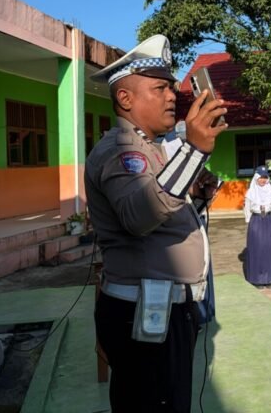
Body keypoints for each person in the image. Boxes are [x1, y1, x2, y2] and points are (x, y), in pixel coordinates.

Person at [86, 34, 227, 413]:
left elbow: (164, 216)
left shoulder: (151, 149)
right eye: (160, 88)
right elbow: (138, 217)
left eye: (171, 87)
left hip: (163, 311)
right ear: (125, 98)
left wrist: (196, 194)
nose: (172, 95)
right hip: (143, 314)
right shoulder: (121, 150)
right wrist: (194, 151)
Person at [243, 166, 271, 288]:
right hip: (256, 220)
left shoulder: (270, 190)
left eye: (265, 177)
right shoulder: (250, 192)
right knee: (257, 248)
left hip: (268, 220)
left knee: (269, 247)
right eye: (261, 177)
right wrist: (250, 222)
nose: (263, 180)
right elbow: (247, 209)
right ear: (256, 178)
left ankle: (270, 277)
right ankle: (257, 279)